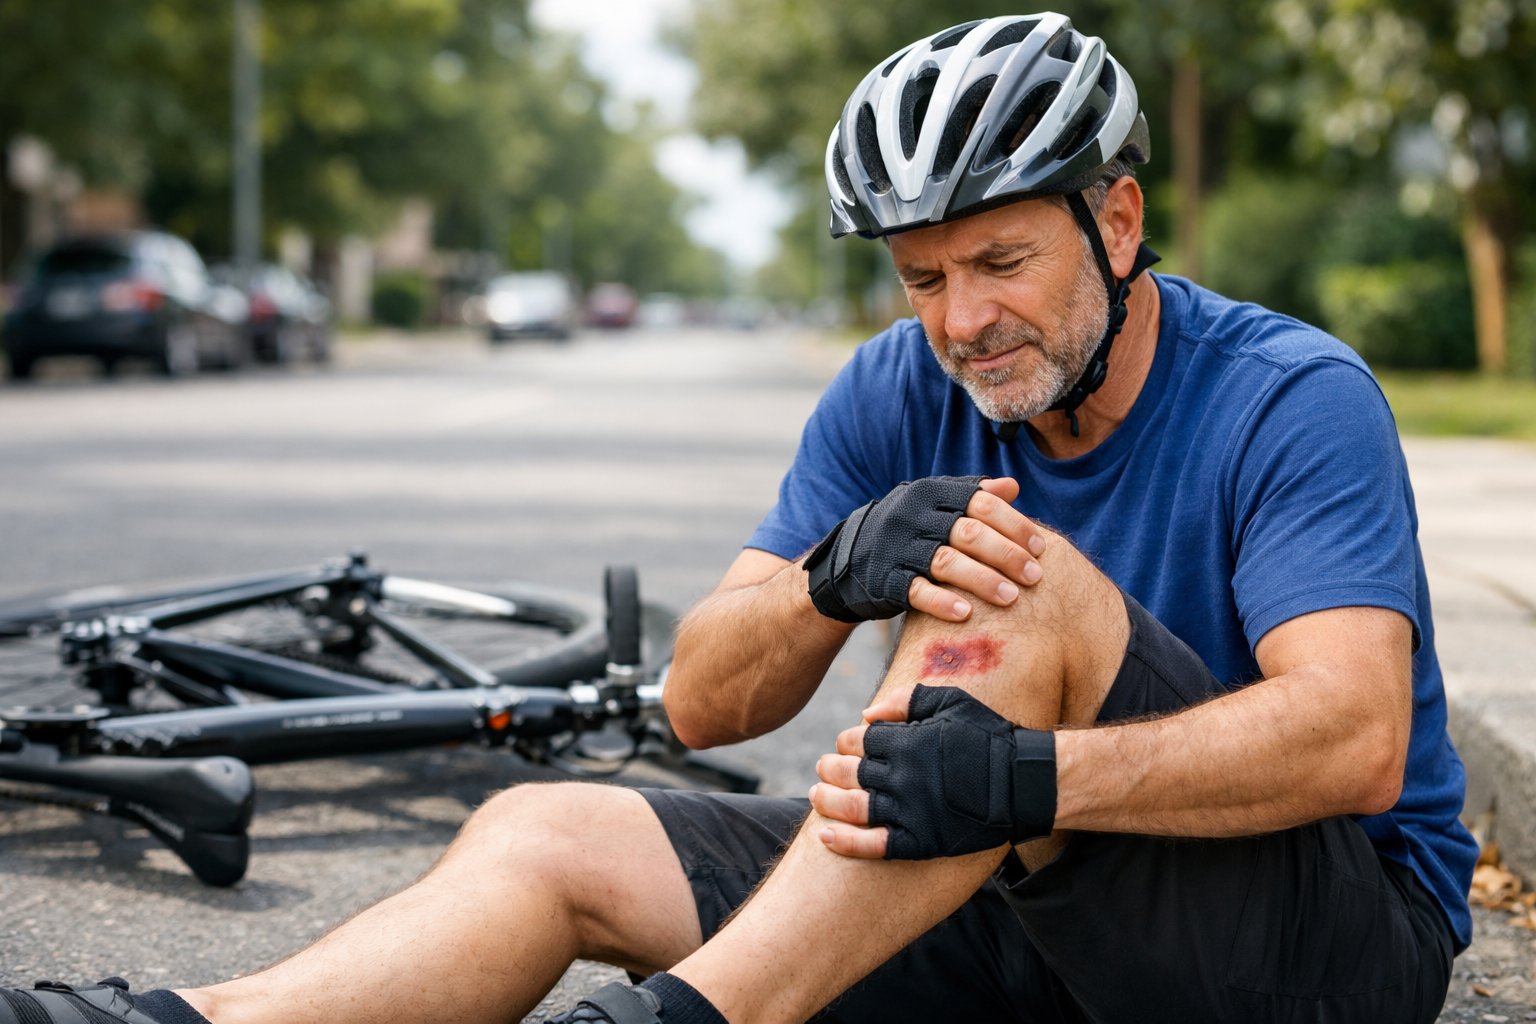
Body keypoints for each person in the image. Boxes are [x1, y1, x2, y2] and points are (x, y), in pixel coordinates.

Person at [0, 12, 1475, 1024]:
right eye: (922, 276)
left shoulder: (1292, 394)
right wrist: (831, 581)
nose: (963, 320)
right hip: (1010, 918)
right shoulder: (897, 385)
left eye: (1002, 260)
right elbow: (704, 697)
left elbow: (1349, 740)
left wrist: (1029, 781)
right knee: (548, 830)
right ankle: (174, 1017)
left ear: (1123, 221)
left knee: (1004, 582)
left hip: (1309, 954)